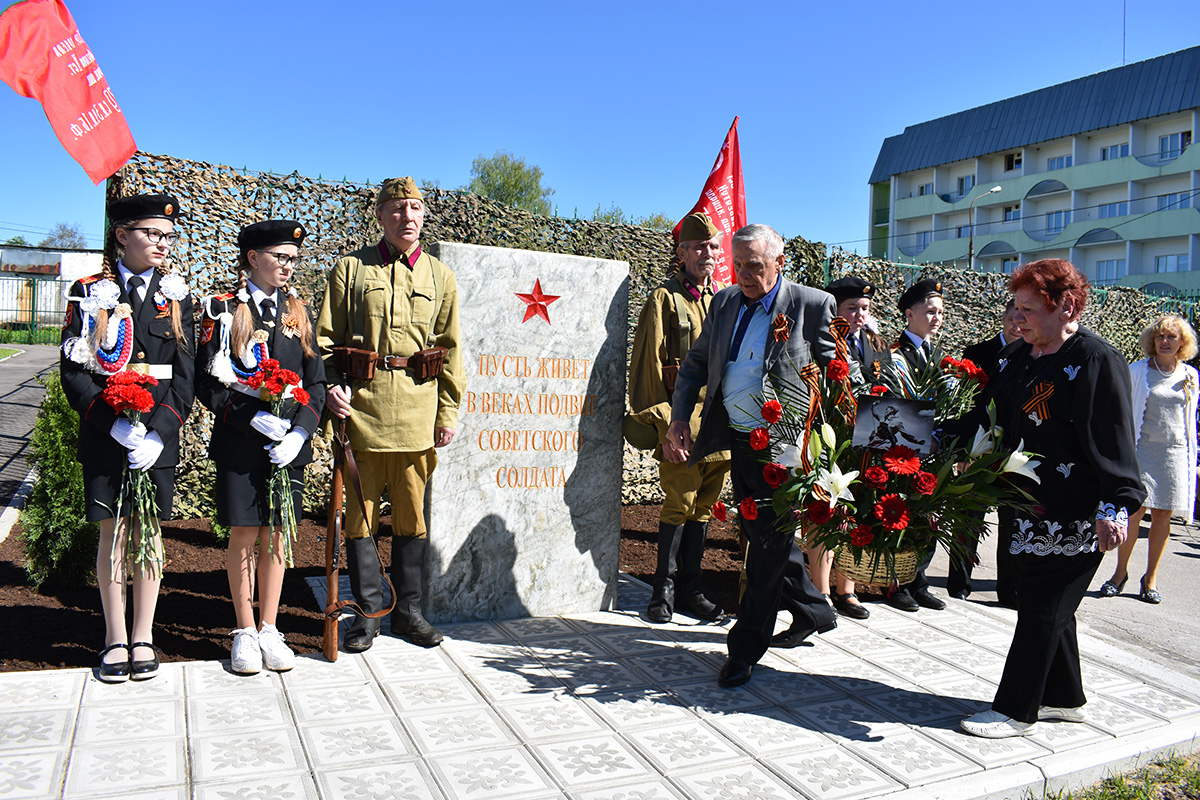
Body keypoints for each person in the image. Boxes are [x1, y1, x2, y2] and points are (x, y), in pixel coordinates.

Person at [958, 258, 1145, 738]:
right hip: (1025, 506)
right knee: (1045, 605)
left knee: (1043, 607)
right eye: (1015, 308)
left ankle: (1015, 710)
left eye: (1028, 310)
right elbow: (987, 417)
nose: (1017, 319)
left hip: (1076, 511)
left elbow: (1113, 438)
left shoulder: (1095, 359)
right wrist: (932, 437)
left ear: (1066, 306)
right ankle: (1064, 697)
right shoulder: (1020, 357)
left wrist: (1115, 504)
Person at [666, 223, 837, 688]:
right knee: (763, 535)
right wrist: (680, 418)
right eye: (737, 264)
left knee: (765, 546)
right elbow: (698, 363)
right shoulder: (723, 302)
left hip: (783, 448)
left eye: (754, 266)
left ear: (779, 263)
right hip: (740, 440)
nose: (743, 274)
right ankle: (814, 610)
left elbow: (836, 374)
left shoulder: (811, 304)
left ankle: (745, 647)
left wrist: (831, 445)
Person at [316, 177, 464, 651]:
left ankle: (409, 611)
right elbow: (325, 340)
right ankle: (367, 613)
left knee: (411, 519)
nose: (407, 217)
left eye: (416, 208)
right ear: (380, 215)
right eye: (397, 208)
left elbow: (450, 350)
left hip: (417, 416)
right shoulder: (350, 270)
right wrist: (330, 390)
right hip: (363, 411)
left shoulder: (440, 277)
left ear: (424, 215)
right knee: (359, 518)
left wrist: (446, 412)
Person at [59, 193, 195, 682]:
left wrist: (158, 434)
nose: (162, 242)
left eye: (166, 235)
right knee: (113, 535)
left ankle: (144, 634)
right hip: (106, 431)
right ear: (122, 235)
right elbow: (74, 373)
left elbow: (185, 377)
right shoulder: (89, 289)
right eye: (151, 233)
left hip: (155, 436)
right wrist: (112, 424)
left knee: (149, 536)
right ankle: (115, 636)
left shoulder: (178, 296)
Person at [197, 220, 327, 673]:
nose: (288, 266)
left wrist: (299, 434)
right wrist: (252, 417)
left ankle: (270, 628)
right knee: (245, 533)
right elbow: (208, 384)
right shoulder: (225, 310)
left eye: (293, 259)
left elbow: (317, 383)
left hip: (286, 447)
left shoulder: (299, 312)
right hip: (241, 442)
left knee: (277, 534)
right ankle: (244, 630)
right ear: (253, 258)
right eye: (280, 258)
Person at [628, 212, 731, 623]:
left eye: (713, 247)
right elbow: (648, 369)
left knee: (704, 508)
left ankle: (691, 589)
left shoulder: (725, 300)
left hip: (718, 425)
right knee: (678, 504)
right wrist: (666, 428)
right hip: (682, 426)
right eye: (699, 247)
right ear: (682, 253)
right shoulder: (664, 299)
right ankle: (663, 592)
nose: (708, 254)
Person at [805, 276, 890, 621]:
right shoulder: (820, 340)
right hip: (829, 434)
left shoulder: (875, 343)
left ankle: (848, 589)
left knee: (857, 509)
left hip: (865, 435)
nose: (860, 315)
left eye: (865, 309)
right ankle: (821, 590)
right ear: (834, 310)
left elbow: (887, 382)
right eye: (852, 308)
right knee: (823, 510)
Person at [1100, 314, 1199, 605]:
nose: (1165, 342)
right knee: (1134, 512)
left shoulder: (1190, 375)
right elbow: (1120, 410)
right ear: (1152, 341)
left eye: (1172, 337)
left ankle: (1150, 578)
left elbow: (1190, 418)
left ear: (1183, 342)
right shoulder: (1137, 371)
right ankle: (1119, 574)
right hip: (1140, 449)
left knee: (1163, 516)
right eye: (1160, 337)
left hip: (1173, 453)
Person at [948, 299, 1022, 602]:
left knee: (1012, 520)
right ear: (1003, 318)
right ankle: (959, 585)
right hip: (978, 445)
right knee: (968, 517)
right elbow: (965, 407)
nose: (1019, 324)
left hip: (1013, 449)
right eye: (1014, 317)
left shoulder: (1036, 353)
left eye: (1025, 317)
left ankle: (1009, 589)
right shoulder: (977, 354)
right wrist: (963, 453)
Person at [884, 278, 947, 612]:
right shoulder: (896, 355)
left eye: (940, 312)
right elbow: (897, 404)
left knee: (929, 514)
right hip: (904, 449)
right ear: (909, 313)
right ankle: (896, 583)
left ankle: (919, 578)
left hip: (932, 448)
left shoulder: (936, 353)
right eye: (930, 311)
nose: (936, 318)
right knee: (901, 512)